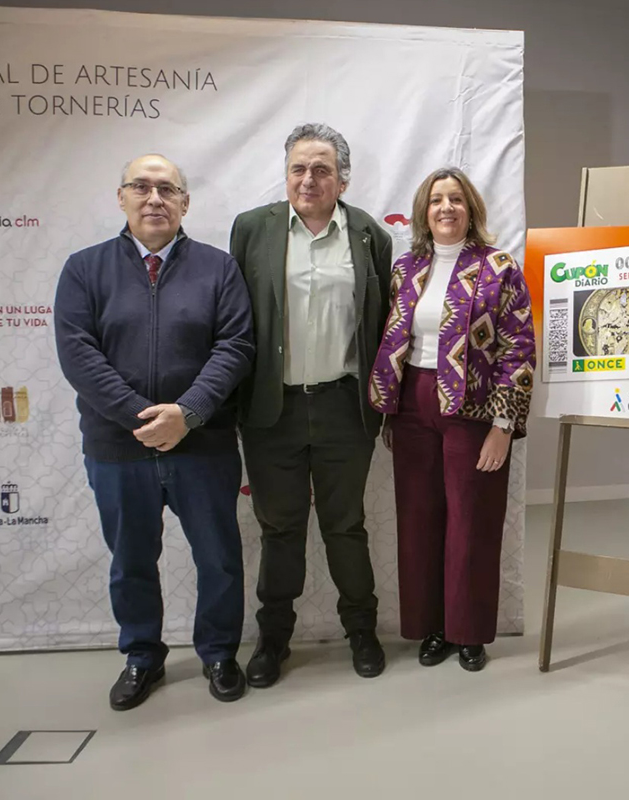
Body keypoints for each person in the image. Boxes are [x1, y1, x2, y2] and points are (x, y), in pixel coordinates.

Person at [54, 154, 255, 710]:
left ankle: (218, 652)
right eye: (140, 187)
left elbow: (235, 346)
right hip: (118, 447)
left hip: (204, 445)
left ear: (185, 203)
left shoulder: (219, 268)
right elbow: (78, 354)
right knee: (131, 559)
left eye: (167, 189)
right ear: (121, 198)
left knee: (217, 556)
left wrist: (186, 414)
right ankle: (142, 655)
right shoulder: (83, 269)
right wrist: (145, 419)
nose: (154, 198)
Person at [230, 123, 392, 686]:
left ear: (342, 177)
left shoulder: (369, 234)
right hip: (272, 411)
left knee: (346, 525)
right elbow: (235, 322)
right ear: (286, 173)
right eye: (299, 167)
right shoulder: (253, 230)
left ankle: (362, 631)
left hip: (344, 407)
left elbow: (382, 326)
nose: (309, 179)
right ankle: (273, 638)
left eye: (322, 169)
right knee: (280, 528)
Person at [368, 167, 535, 671]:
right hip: (414, 404)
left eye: (456, 199)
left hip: (475, 410)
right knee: (419, 521)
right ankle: (432, 628)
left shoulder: (499, 267)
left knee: (472, 522)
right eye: (437, 200)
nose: (446, 208)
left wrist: (503, 427)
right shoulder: (406, 268)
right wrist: (387, 410)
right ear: (423, 211)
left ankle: (469, 631)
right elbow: (390, 338)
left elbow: (519, 350)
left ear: (471, 210)